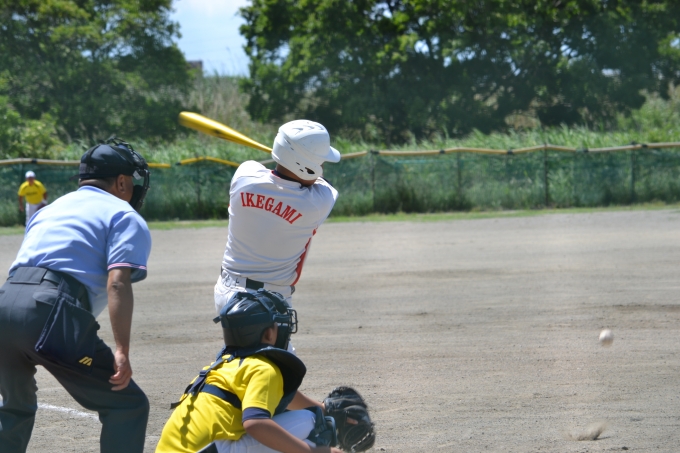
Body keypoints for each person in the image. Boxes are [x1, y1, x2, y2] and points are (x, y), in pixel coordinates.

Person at [0, 137, 152, 453]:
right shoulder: (123, 214)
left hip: (5, 303)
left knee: (15, 407)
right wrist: (122, 350)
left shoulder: (48, 210)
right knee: (127, 405)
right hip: (48, 309)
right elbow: (117, 283)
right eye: (131, 180)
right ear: (120, 182)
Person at [156, 289, 343, 453]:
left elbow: (283, 398)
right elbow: (255, 423)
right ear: (269, 334)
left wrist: (326, 408)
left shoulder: (220, 367)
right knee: (311, 422)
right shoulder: (264, 368)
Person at [214, 120, 340, 315]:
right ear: (307, 167)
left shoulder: (244, 177)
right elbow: (324, 183)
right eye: (320, 163)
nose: (322, 167)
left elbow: (259, 169)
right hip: (269, 301)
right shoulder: (316, 204)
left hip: (225, 291)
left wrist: (286, 157)